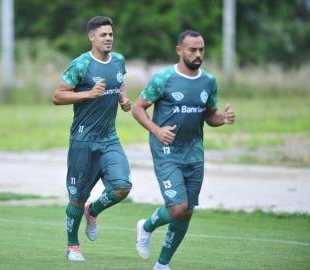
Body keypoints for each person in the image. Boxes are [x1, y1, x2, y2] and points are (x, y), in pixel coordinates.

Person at [132, 30, 236, 270]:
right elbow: (138, 108)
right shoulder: (163, 78)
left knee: (187, 211)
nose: (198, 54)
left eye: (201, 50)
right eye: (192, 50)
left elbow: (210, 117)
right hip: (166, 150)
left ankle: (162, 265)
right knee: (178, 208)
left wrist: (224, 118)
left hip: (195, 153)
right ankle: (146, 226)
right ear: (179, 50)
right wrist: (157, 130)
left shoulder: (208, 81)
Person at [53, 16, 132, 261]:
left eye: (110, 34)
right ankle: (72, 246)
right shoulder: (81, 65)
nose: (108, 38)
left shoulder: (119, 60)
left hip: (109, 138)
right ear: (91, 37)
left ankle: (93, 211)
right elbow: (57, 96)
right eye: (103, 35)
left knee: (122, 187)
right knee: (77, 197)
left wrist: (123, 99)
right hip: (82, 140)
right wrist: (88, 94)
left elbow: (119, 83)